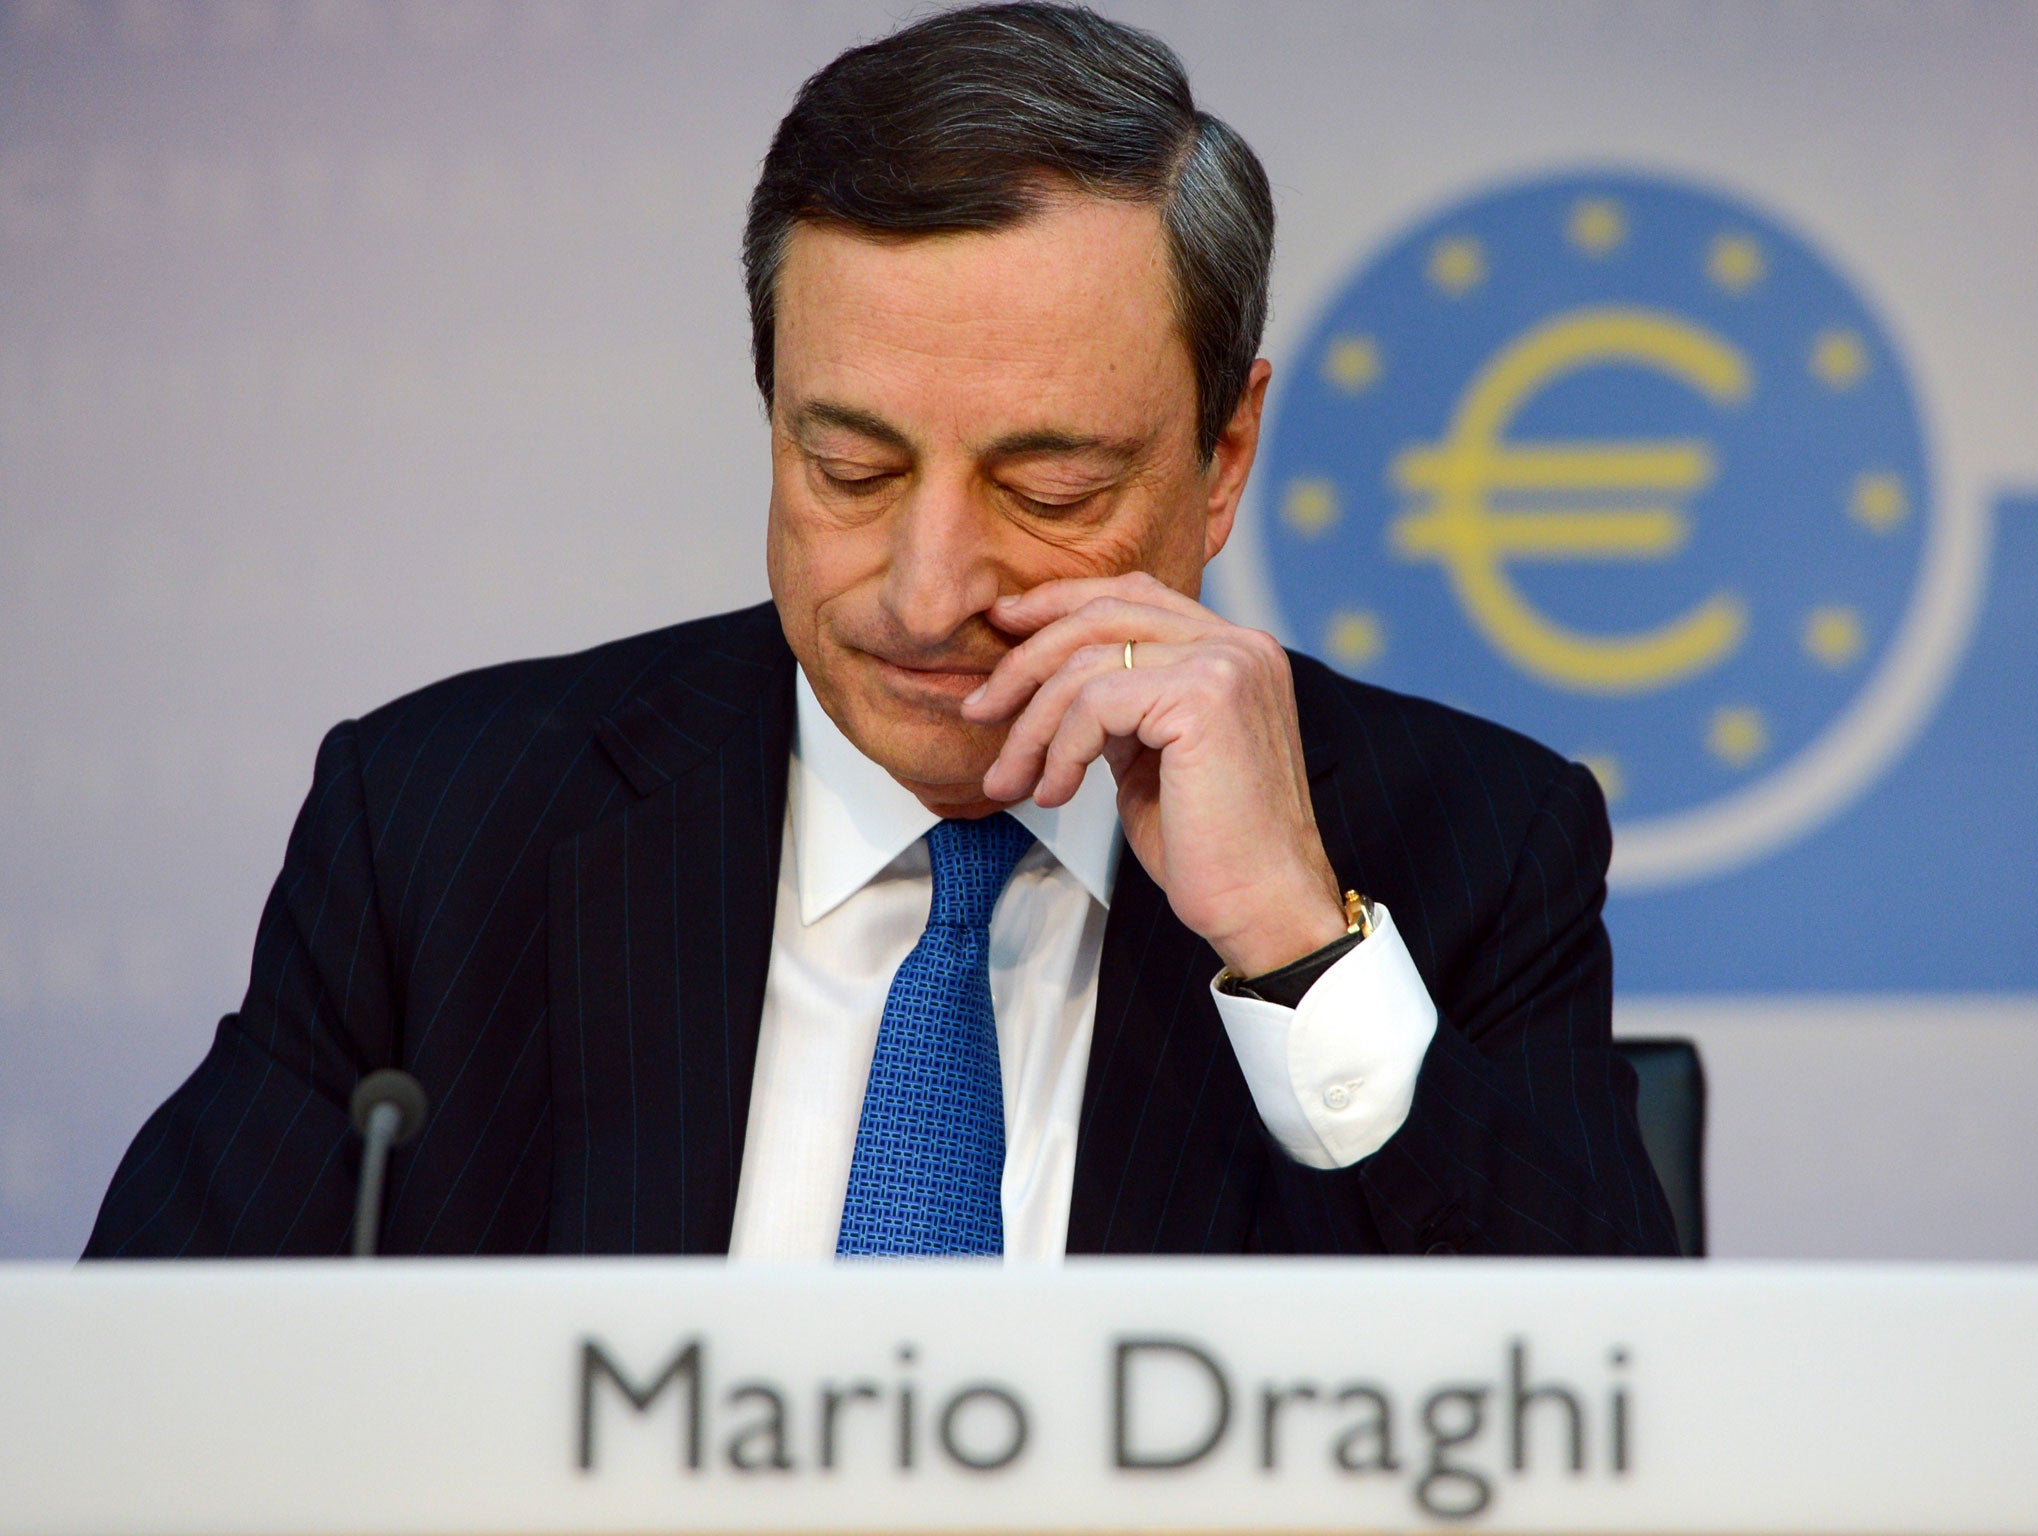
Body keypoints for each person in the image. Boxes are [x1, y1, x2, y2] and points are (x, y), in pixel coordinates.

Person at [85, 3, 1677, 1261]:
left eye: (1047, 487)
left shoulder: (1466, 839)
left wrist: (1294, 944)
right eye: (848, 469)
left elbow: (1618, 1435)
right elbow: (145, 1407)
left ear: (1225, 459)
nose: (926, 593)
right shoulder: (442, 827)